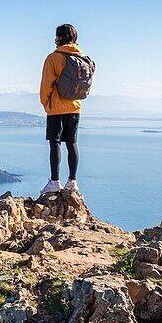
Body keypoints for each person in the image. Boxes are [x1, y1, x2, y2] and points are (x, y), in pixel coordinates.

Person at [39, 23, 91, 195]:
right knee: (72, 143)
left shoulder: (53, 58)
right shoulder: (83, 58)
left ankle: (54, 182)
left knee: (55, 143)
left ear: (59, 38)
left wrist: (46, 103)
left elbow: (46, 85)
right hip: (75, 107)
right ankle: (72, 181)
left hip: (56, 107)